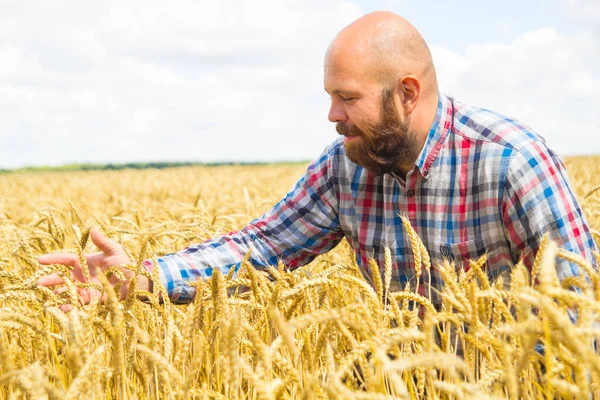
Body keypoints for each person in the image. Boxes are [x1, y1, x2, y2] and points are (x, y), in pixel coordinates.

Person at [38, 11, 597, 306]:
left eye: (347, 97)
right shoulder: (346, 166)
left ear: (406, 93)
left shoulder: (510, 162)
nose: (332, 115)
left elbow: (583, 305)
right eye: (330, 96)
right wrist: (144, 278)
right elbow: (261, 248)